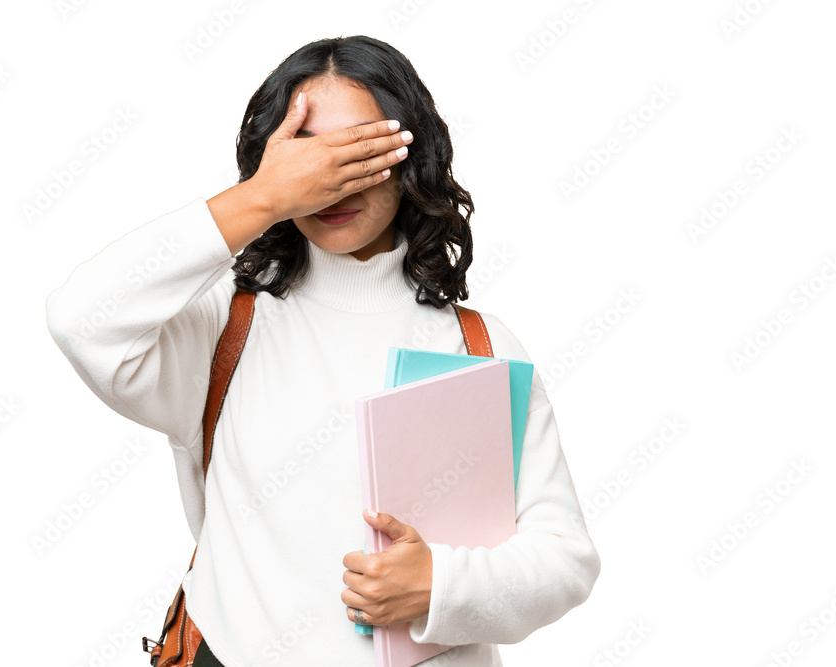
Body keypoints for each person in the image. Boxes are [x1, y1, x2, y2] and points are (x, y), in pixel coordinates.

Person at [46, 35, 600, 667]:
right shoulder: (225, 326)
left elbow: (564, 561)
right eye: (307, 154)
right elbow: (81, 319)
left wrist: (440, 586)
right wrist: (263, 199)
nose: (331, 177)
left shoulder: (480, 344)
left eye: (361, 149)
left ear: (410, 154)